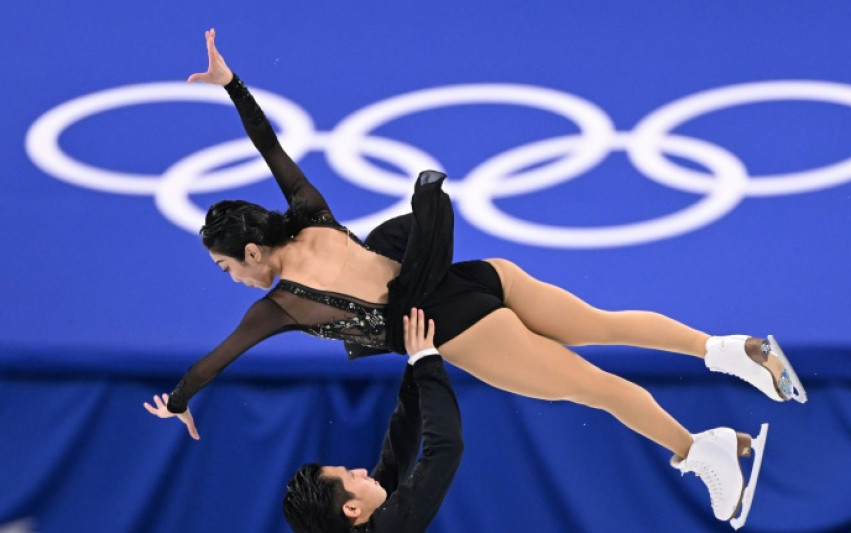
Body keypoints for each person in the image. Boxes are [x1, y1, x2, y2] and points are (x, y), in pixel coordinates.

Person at [145, 29, 807, 527]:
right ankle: (731, 350)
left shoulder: (282, 306)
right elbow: (270, 145)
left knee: (596, 388)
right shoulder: (311, 211)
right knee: (604, 324)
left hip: (459, 326)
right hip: (475, 274)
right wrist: (232, 85)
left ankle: (703, 450)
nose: (229, 278)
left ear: (254, 251)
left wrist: (177, 402)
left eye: (226, 265)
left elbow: (213, 362)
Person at [281, 308, 463, 533]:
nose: (361, 470)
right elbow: (445, 449)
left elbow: (397, 455)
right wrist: (426, 361)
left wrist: (416, 361)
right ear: (351, 508)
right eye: (350, 476)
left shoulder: (362, 521)